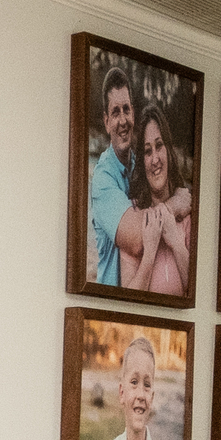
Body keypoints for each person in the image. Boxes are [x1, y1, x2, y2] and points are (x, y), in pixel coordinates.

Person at [118, 107, 195, 297]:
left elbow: (199, 293)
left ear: (169, 150)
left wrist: (177, 243)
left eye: (159, 146)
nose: (155, 159)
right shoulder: (133, 216)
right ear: (142, 162)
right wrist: (149, 253)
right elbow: (128, 300)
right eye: (147, 151)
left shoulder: (188, 209)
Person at [86, 66, 135, 287]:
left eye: (126, 109)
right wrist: (174, 205)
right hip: (112, 303)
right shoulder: (102, 178)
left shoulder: (142, 167)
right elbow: (135, 239)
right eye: (116, 112)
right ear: (106, 122)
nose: (123, 120)